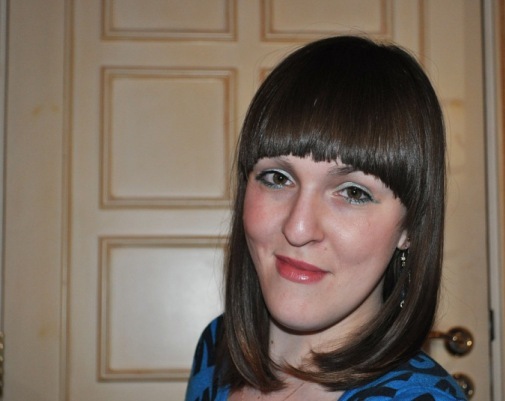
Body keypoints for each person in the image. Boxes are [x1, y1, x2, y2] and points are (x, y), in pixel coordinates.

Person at [185, 35, 466, 401]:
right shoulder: (216, 349)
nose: (298, 228)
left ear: (410, 226)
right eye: (278, 178)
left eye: (353, 193)